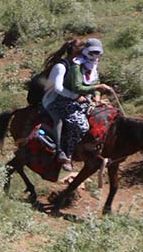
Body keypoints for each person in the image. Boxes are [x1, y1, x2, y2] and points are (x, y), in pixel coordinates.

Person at [41, 38, 116, 171]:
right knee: (73, 123)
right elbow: (63, 88)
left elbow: (93, 83)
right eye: (81, 53)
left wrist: (96, 97)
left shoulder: (85, 65)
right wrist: (78, 96)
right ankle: (63, 152)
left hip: (75, 99)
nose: (92, 56)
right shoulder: (65, 66)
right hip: (56, 100)